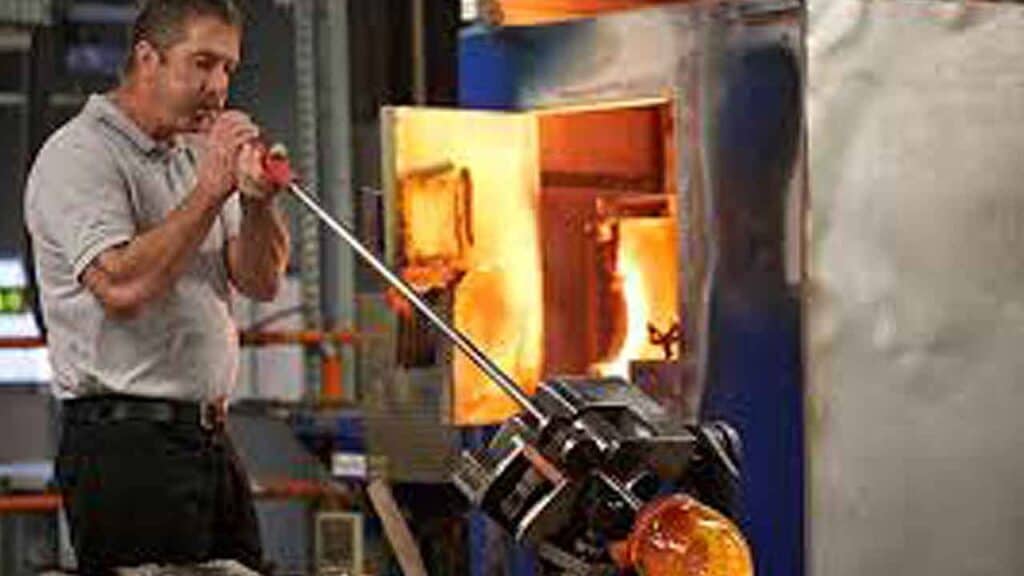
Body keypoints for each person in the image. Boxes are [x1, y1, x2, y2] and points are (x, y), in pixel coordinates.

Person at [23, 0, 290, 573]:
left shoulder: (194, 154)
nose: (217, 86)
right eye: (201, 63)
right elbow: (120, 285)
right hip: (127, 448)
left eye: (227, 69)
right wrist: (211, 192)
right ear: (147, 58)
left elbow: (260, 281)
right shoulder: (79, 156)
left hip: (209, 439)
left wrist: (256, 203)